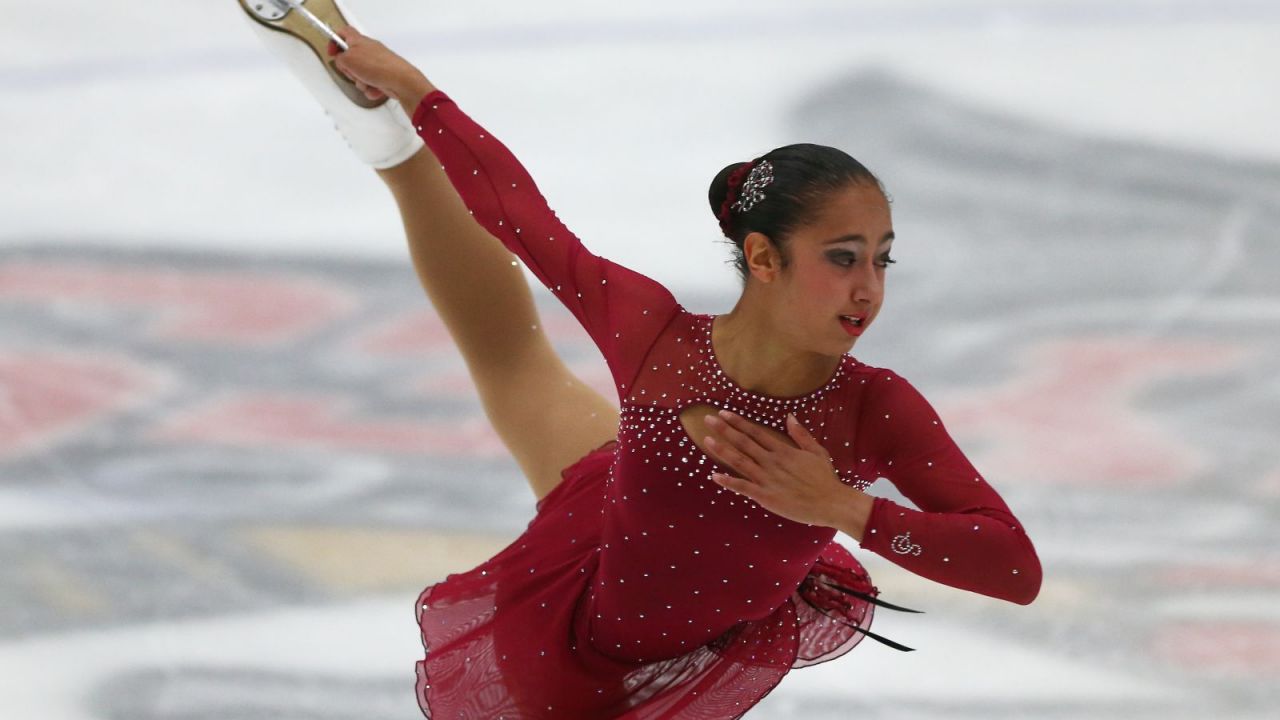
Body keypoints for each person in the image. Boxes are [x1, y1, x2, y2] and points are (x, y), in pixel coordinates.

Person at [238, 2, 1043, 717]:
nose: (868, 289)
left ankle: (388, 144)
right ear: (762, 258)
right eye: (842, 258)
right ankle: (390, 141)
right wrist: (420, 94)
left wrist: (843, 509)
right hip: (576, 649)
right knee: (511, 360)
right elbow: (521, 219)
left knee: (514, 367)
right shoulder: (660, 341)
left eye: (882, 260)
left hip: (688, 588)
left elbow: (1015, 570)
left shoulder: (874, 407)